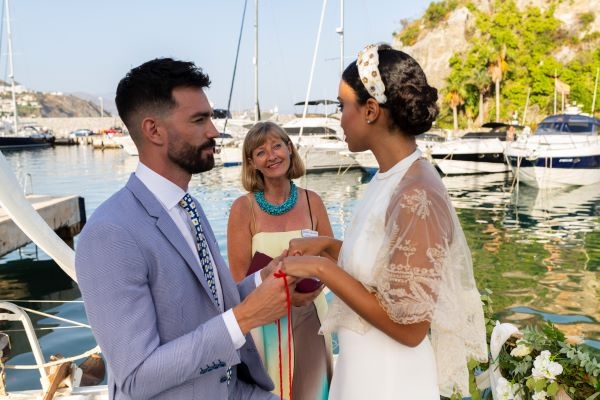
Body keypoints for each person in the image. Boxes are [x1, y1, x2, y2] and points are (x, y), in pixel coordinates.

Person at [75, 57, 303, 400]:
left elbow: (209, 306)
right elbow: (136, 377)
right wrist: (244, 319)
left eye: (210, 117)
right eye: (199, 120)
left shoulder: (190, 206)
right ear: (154, 130)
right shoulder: (109, 233)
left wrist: (263, 279)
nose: (213, 131)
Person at [281, 43, 488, 399]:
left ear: (371, 110)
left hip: (390, 380)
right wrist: (330, 248)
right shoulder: (390, 177)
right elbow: (392, 269)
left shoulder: (416, 192)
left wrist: (321, 267)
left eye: (343, 106)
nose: (339, 117)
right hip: (364, 368)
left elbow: (410, 328)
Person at [227, 121, 333, 399]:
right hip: (265, 321)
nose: (271, 155)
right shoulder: (243, 208)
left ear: (290, 149)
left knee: (314, 391)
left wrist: (312, 288)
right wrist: (286, 296)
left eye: (277, 145)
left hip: (312, 314)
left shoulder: (314, 202)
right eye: (260, 152)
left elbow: (331, 260)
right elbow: (238, 279)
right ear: (252, 163)